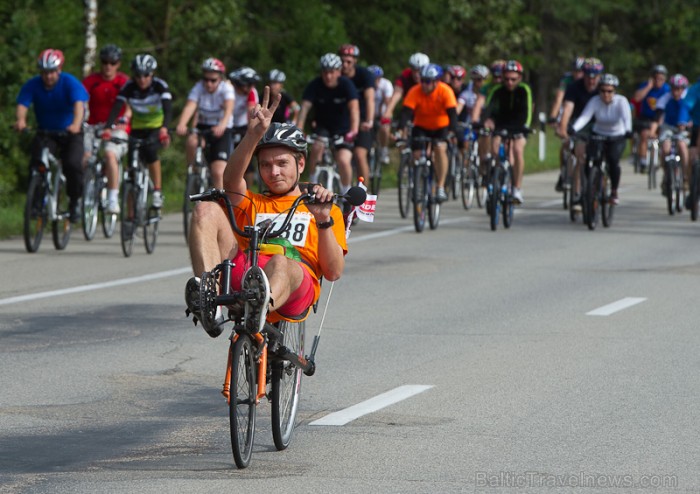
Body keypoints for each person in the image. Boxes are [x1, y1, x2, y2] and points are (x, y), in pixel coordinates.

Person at [185, 87, 348, 337]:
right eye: (265, 165)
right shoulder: (253, 202)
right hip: (247, 272)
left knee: (282, 261)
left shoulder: (323, 208)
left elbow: (334, 271)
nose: (274, 173)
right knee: (205, 209)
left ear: (300, 164)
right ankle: (210, 301)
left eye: (282, 163)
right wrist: (253, 135)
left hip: (293, 282)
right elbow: (230, 180)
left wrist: (323, 220)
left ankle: (260, 306)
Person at [15, 48, 89, 223]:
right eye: (44, 73)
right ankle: (36, 202)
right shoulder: (33, 85)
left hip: (70, 132)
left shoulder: (70, 82)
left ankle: (74, 202)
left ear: (59, 70)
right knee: (36, 162)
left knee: (72, 164)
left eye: (52, 72)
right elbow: (22, 104)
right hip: (46, 132)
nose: (48, 77)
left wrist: (76, 125)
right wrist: (21, 121)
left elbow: (79, 105)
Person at [103, 53, 172, 209]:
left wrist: (165, 129)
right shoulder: (129, 87)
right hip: (136, 128)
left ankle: (157, 191)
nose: (142, 79)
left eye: (146, 75)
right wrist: (108, 127)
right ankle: (130, 213)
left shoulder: (160, 86)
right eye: (138, 76)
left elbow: (168, 109)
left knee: (151, 152)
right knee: (131, 169)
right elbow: (117, 107)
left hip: (155, 127)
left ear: (152, 74)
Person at [295, 53, 359, 195]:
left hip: (343, 130)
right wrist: (298, 130)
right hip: (322, 128)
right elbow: (304, 108)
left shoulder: (346, 85)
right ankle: (311, 185)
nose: (328, 76)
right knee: (316, 148)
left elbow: (354, 108)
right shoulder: (314, 85)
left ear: (338, 72)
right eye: (325, 72)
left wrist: (353, 130)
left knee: (343, 159)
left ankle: (346, 192)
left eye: (332, 72)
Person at [399, 63, 458, 202]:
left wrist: (452, 132)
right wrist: (401, 129)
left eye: (427, 81)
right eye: (422, 80)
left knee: (439, 148)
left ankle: (440, 186)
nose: (423, 85)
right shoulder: (415, 91)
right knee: (417, 153)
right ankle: (417, 181)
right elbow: (406, 113)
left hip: (441, 127)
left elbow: (453, 115)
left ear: (436, 82)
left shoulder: (445, 91)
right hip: (421, 126)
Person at [83, 44, 131, 214]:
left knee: (110, 155)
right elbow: (80, 102)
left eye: (112, 62)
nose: (108, 66)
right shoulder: (91, 81)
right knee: (84, 158)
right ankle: (82, 196)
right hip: (94, 126)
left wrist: (124, 120)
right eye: (105, 62)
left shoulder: (124, 82)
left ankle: (112, 198)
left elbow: (130, 105)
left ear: (118, 64)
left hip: (117, 127)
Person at [571, 73, 632, 205]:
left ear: (614, 91)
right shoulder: (595, 101)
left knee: (613, 160)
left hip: (617, 135)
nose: (606, 94)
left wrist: (628, 131)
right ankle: (589, 188)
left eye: (609, 91)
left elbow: (626, 118)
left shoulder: (621, 101)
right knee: (590, 160)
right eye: (603, 91)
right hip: (598, 134)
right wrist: (574, 128)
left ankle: (614, 191)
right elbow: (585, 117)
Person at [175, 57, 233, 189]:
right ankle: (193, 171)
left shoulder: (226, 88)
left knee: (218, 172)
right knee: (191, 141)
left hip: (222, 129)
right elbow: (190, 106)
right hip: (203, 126)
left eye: (213, 80)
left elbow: (229, 109)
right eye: (206, 79)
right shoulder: (198, 87)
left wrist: (222, 125)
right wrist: (182, 124)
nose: (209, 84)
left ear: (220, 78)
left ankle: (221, 205)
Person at [483, 59, 532, 205]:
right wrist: (487, 121)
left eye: (513, 79)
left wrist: (525, 126)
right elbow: (488, 108)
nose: (509, 83)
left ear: (520, 78)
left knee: (517, 150)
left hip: (519, 126)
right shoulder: (497, 90)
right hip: (501, 124)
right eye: (506, 79)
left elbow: (527, 111)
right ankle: (497, 177)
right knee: (495, 148)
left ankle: (517, 188)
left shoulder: (524, 90)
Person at [556, 57, 604, 201]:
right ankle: (577, 192)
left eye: (595, 77)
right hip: (579, 124)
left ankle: (602, 186)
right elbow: (568, 109)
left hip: (600, 125)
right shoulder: (574, 87)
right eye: (588, 76)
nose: (591, 81)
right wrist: (563, 129)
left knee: (604, 157)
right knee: (580, 156)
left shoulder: (604, 88)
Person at [338, 43, 375, 185]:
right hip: (342, 121)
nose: (345, 64)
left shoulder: (364, 75)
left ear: (355, 61)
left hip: (362, 121)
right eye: (342, 61)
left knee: (360, 155)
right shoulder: (335, 75)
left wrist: (370, 121)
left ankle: (363, 191)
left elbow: (370, 99)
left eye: (349, 61)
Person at [632, 64, 670, 172]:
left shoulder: (667, 89)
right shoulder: (646, 86)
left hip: (661, 117)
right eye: (656, 78)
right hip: (646, 118)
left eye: (661, 79)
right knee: (645, 135)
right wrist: (648, 87)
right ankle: (644, 161)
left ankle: (657, 159)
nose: (658, 81)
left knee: (661, 138)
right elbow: (637, 98)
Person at [656, 74, 691, 191]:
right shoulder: (666, 97)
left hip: (683, 128)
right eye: (674, 88)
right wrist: (658, 124)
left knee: (682, 146)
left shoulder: (688, 98)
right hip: (669, 127)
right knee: (665, 148)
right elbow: (659, 113)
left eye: (679, 88)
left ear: (683, 89)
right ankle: (666, 174)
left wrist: (689, 124)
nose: (676, 91)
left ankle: (685, 176)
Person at [229, 66, 261, 185]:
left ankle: (248, 189)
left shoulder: (252, 92)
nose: (250, 88)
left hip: (242, 125)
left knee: (246, 158)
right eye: (248, 85)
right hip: (227, 124)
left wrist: (251, 131)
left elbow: (251, 111)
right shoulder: (229, 90)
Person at [381, 52, 430, 123]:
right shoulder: (406, 75)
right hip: (409, 110)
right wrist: (388, 112)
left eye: (419, 70)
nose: (416, 74)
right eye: (414, 70)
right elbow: (397, 94)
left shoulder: (430, 78)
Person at [368, 64, 394, 164]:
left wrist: (387, 115)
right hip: (369, 114)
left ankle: (384, 150)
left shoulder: (386, 85)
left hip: (383, 113)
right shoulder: (365, 85)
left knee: (384, 128)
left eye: (377, 79)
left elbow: (388, 103)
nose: (375, 81)